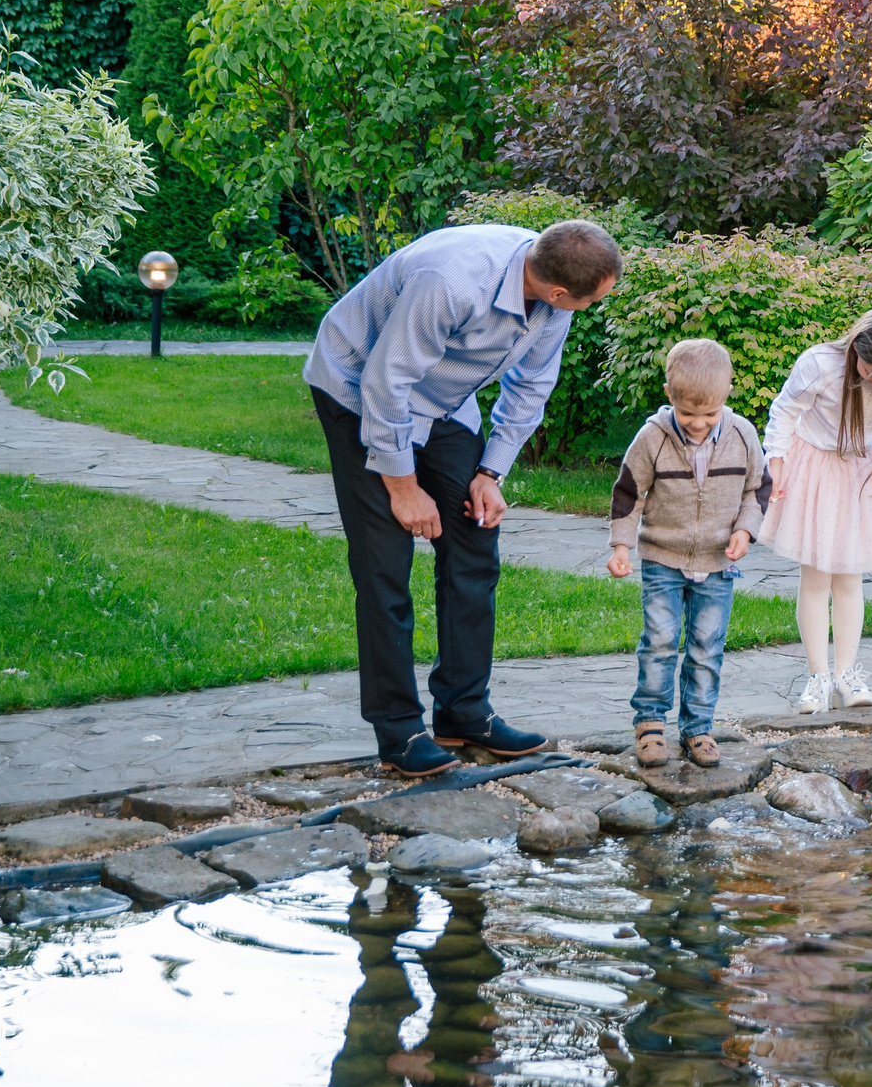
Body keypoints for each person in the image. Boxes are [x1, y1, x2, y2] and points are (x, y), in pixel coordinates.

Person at [306, 218, 622, 777]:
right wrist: (403, 489)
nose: (593, 305)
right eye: (593, 300)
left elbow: (530, 384)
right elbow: (386, 381)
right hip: (359, 387)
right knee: (385, 565)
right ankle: (399, 732)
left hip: (445, 401)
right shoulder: (451, 282)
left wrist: (489, 471)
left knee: (476, 536)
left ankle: (464, 712)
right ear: (556, 291)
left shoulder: (550, 294)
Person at [606, 339, 770, 769]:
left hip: (718, 563)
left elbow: (758, 489)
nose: (698, 424)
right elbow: (628, 494)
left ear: (726, 395)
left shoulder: (743, 435)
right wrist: (621, 545)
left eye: (709, 414)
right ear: (669, 395)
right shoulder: (653, 439)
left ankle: (698, 727)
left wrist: (745, 530)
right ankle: (650, 724)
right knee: (659, 641)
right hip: (662, 557)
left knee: (706, 645)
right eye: (687, 414)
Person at [759, 307, 872, 714]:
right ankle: (818, 675)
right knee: (817, 578)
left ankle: (846, 673)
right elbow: (784, 412)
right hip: (815, 470)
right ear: (856, 346)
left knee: (850, 578)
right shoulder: (820, 365)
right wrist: (776, 460)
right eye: (871, 369)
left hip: (859, 475)